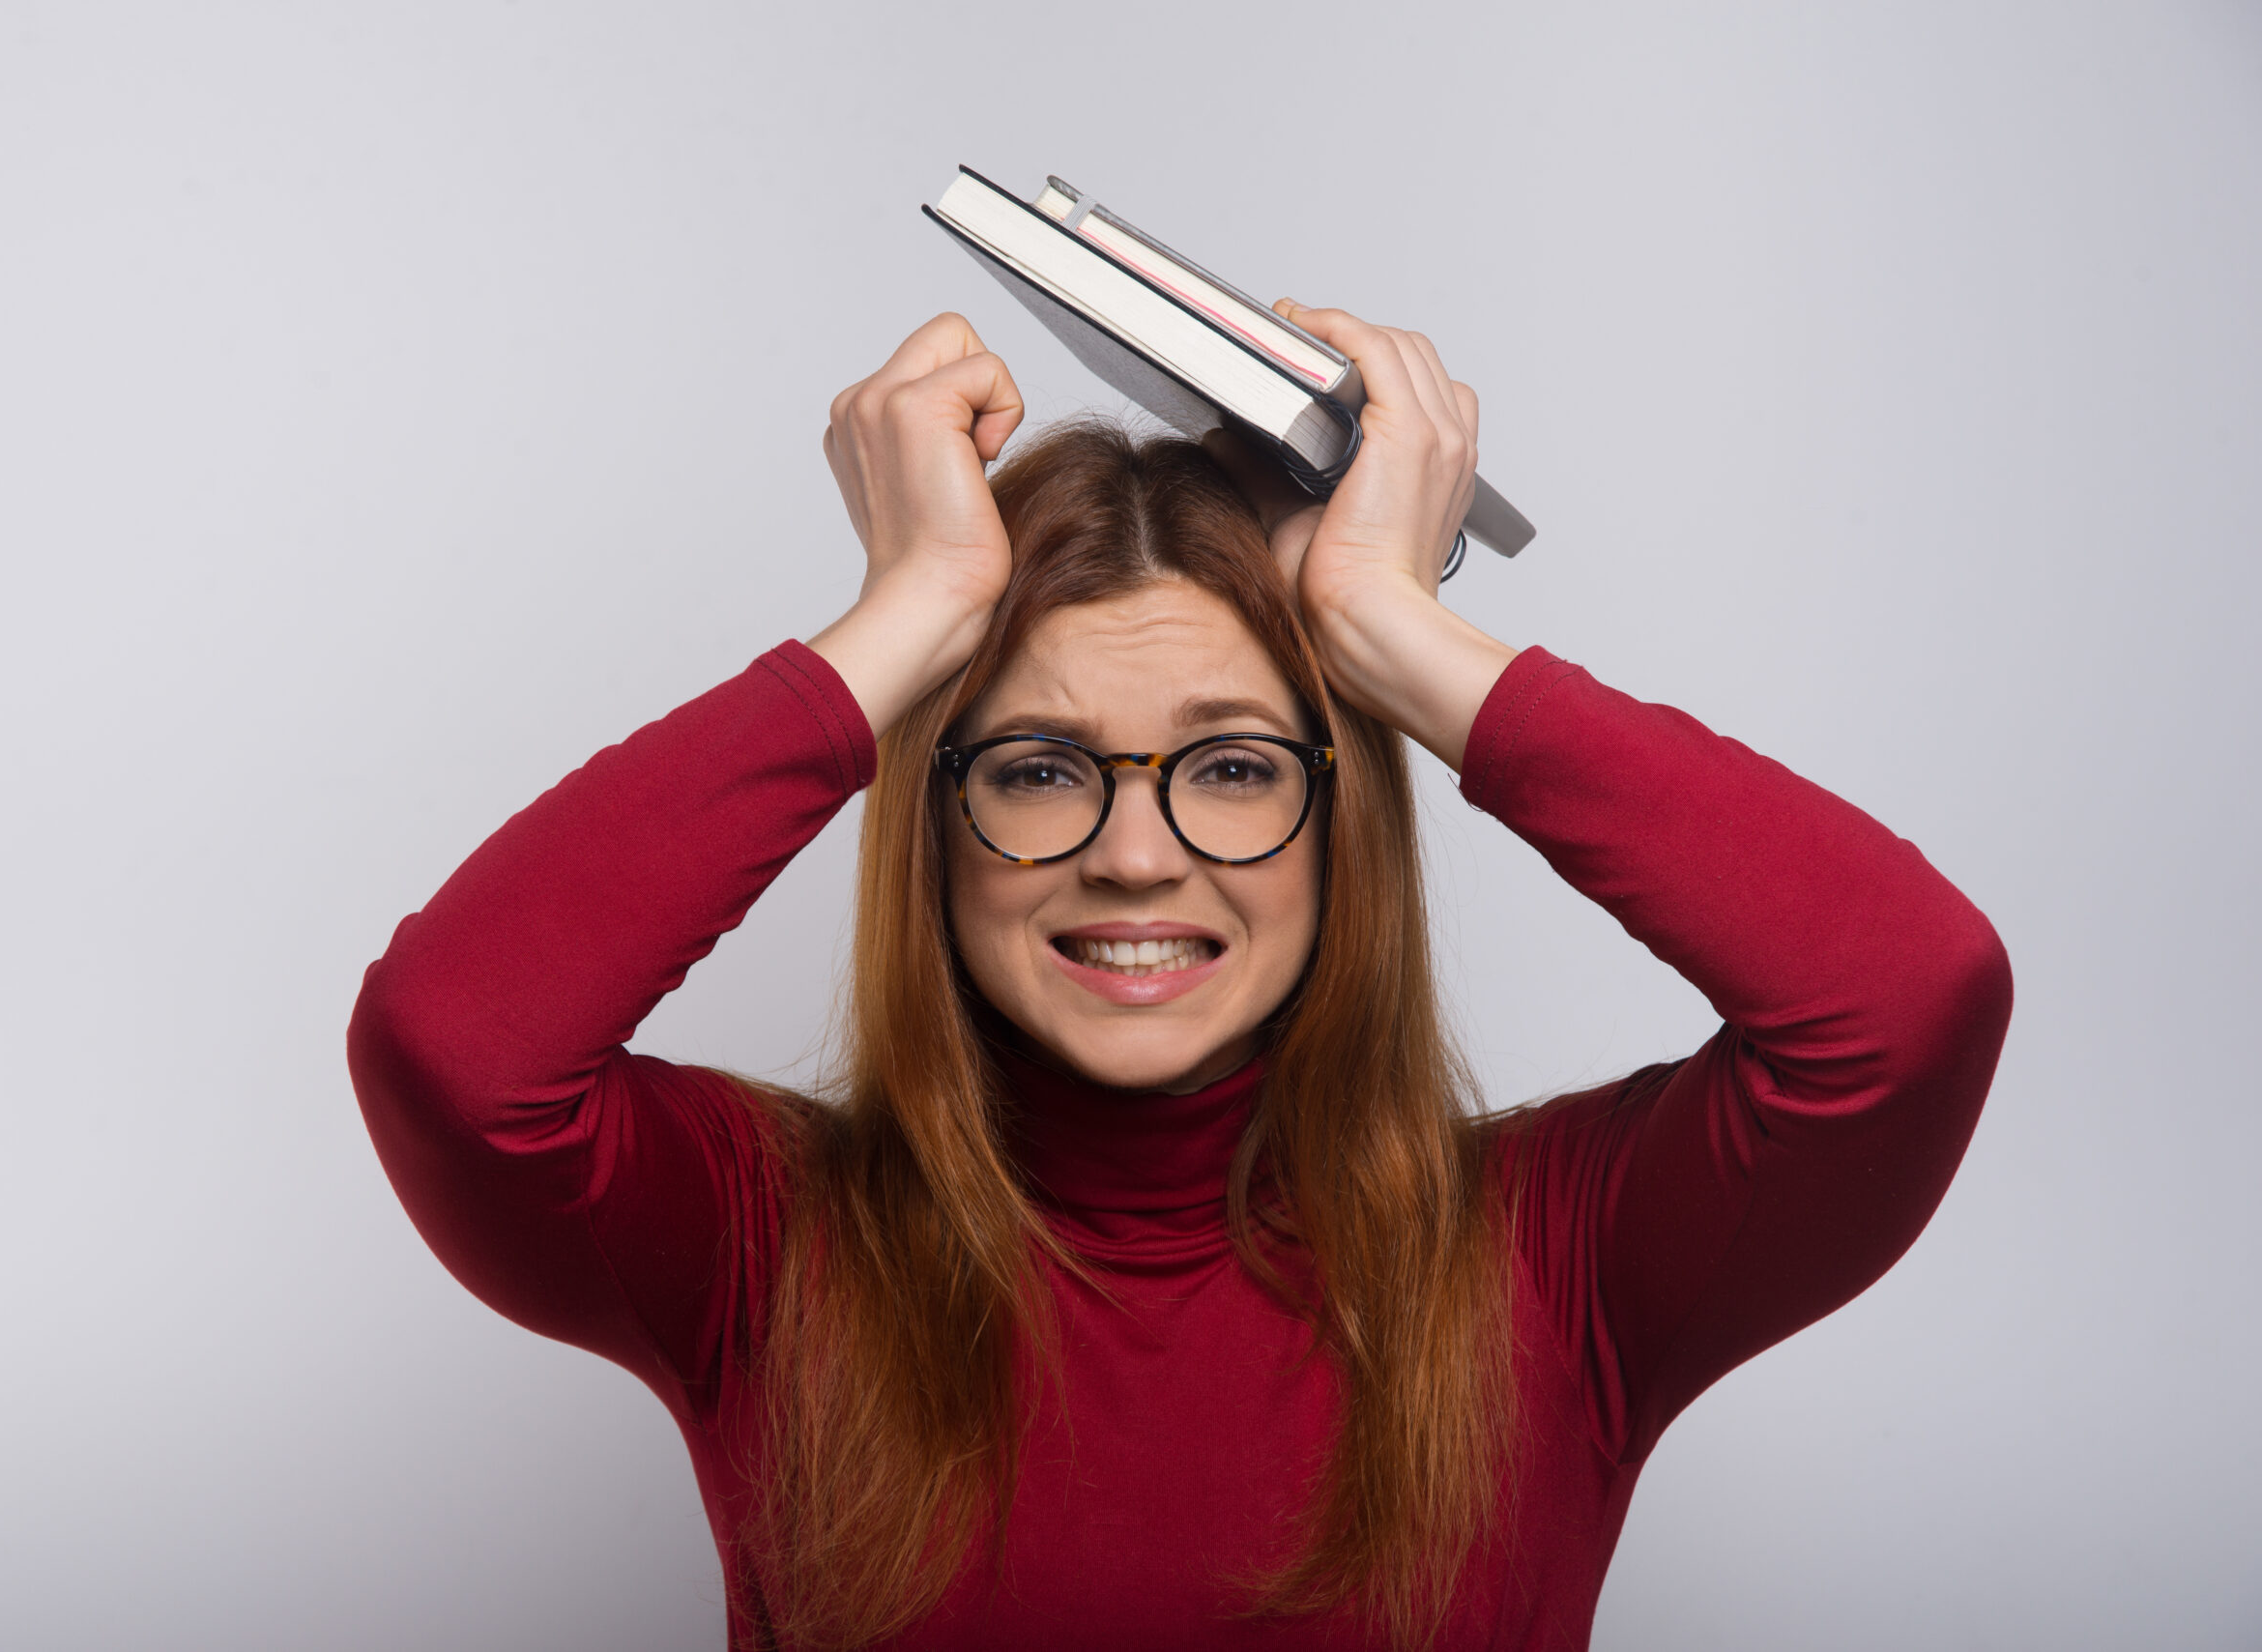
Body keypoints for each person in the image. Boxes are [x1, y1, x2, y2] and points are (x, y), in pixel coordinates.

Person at [347, 306, 2013, 1649]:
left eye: (1230, 767)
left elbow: (1904, 997)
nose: (1137, 857)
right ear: (935, 822)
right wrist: (907, 615)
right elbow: (456, 1048)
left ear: (1337, 825)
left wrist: (1396, 630)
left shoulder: (1558, 1255)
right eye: (1037, 768)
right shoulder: (761, 1245)